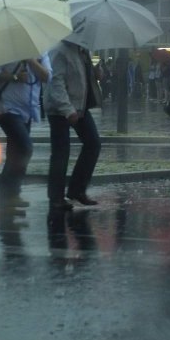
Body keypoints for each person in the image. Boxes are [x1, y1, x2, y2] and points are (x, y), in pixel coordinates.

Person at [45, 39, 104, 212]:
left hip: (80, 105)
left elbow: (81, 78)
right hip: (60, 109)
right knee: (61, 152)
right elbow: (55, 82)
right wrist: (67, 109)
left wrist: (95, 73)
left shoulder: (83, 50)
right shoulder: (60, 51)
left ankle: (77, 190)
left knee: (93, 144)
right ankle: (56, 197)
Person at [0, 55, 49, 210]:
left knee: (15, 154)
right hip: (7, 108)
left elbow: (47, 76)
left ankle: (9, 196)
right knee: (25, 148)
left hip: (28, 110)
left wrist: (31, 61)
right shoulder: (6, 48)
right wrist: (14, 76)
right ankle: (8, 195)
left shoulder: (40, 52)